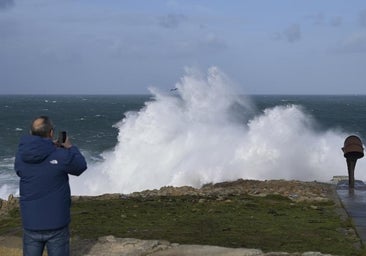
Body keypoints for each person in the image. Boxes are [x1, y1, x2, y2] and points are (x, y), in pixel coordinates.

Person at [14, 116, 87, 256]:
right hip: (56, 224)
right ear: (51, 133)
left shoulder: (21, 156)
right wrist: (70, 148)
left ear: (31, 132)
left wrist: (48, 148)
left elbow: (20, 171)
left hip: (31, 223)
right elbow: (80, 167)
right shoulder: (60, 154)